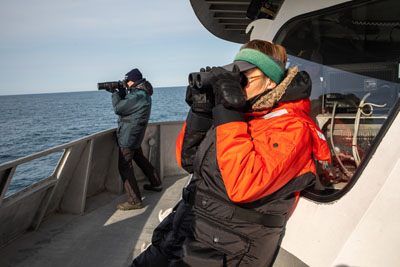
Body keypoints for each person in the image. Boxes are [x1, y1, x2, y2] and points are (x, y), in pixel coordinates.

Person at [130, 40, 331, 266]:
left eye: (243, 79)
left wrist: (228, 113)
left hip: (226, 247)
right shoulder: (243, 116)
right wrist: (201, 113)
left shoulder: (293, 128)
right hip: (187, 227)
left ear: (270, 82)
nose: (238, 86)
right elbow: (188, 161)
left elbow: (243, 186)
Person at [112, 68, 162, 211]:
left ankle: (134, 201)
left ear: (133, 80)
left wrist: (115, 93)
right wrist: (122, 92)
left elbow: (118, 108)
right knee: (140, 158)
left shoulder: (137, 96)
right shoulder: (142, 94)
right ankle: (156, 182)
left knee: (124, 166)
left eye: (127, 81)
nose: (126, 83)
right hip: (136, 134)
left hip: (128, 136)